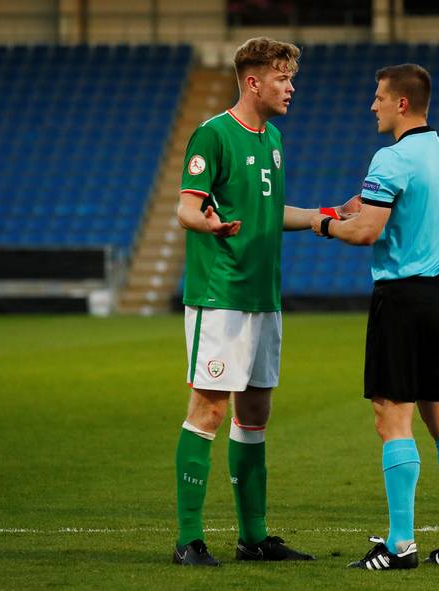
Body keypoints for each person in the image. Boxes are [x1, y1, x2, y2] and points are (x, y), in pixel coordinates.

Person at [173, 36, 357, 566]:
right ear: (253, 81)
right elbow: (187, 207)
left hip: (263, 295)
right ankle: (189, 538)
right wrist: (205, 221)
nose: (291, 87)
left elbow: (269, 212)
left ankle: (253, 537)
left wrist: (326, 218)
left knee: (255, 412)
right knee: (209, 407)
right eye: (282, 78)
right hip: (221, 294)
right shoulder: (213, 136)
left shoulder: (272, 138)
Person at [309, 64, 439, 569]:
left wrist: (324, 223)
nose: (372, 105)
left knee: (391, 417)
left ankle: (400, 544)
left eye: (379, 96)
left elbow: (367, 234)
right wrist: (361, 210)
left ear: (403, 103)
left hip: (403, 300)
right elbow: (407, 214)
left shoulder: (392, 157)